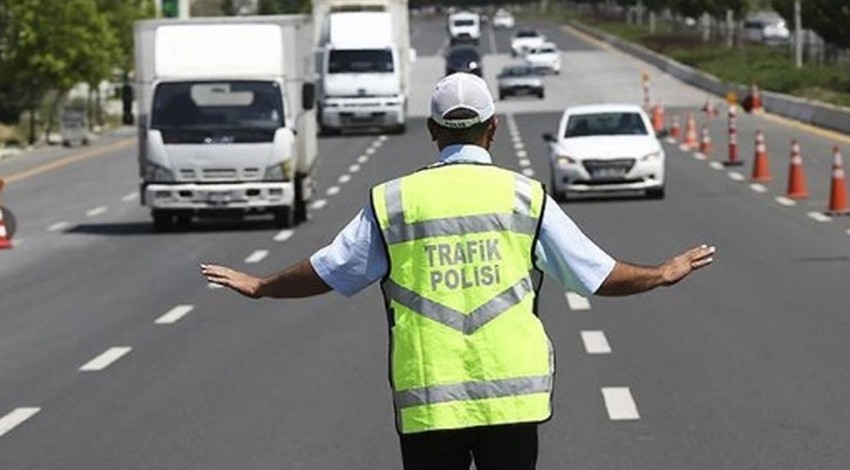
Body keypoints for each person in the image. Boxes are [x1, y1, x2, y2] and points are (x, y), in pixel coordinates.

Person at [201, 72, 715, 470]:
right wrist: (661, 273)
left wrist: (261, 286)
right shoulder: (524, 197)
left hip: (430, 399)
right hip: (513, 402)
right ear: (492, 128)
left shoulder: (395, 202)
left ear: (432, 131)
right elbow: (596, 276)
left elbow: (331, 270)